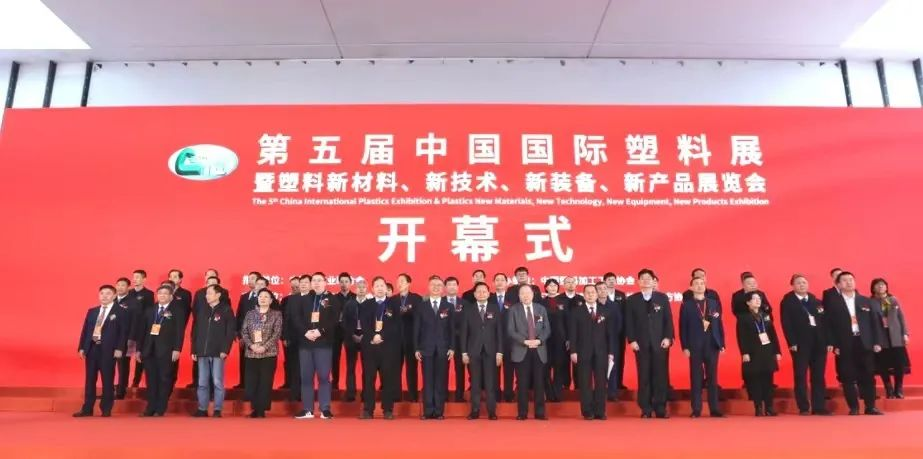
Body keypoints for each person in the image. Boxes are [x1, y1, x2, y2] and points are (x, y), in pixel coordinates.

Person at [827, 272, 884, 415]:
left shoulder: (865, 301)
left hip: (864, 342)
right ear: (838, 284)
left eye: (851, 279)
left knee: (868, 375)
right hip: (845, 343)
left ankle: (870, 406)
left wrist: (877, 341)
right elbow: (829, 326)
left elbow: (875, 323)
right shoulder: (833, 303)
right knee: (847, 376)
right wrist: (834, 345)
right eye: (845, 280)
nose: (849, 282)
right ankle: (853, 407)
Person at [74, 285, 129, 417]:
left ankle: (106, 408)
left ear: (114, 296)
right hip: (92, 348)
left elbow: (123, 332)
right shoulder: (92, 311)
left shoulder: (121, 311)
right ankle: (87, 408)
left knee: (107, 379)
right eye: (102, 293)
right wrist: (82, 347)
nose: (104, 296)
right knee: (90, 380)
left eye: (108, 293)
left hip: (109, 350)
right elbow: (85, 330)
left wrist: (120, 348)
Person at [625, 269, 674, 419]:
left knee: (661, 376)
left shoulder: (662, 298)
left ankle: (660, 408)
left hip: (660, 343)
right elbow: (629, 322)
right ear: (638, 282)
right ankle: (645, 408)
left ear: (654, 281)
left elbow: (668, 320)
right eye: (642, 278)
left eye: (649, 278)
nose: (646, 280)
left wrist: (668, 337)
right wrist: (632, 340)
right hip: (641, 344)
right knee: (644, 376)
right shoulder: (632, 300)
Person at [780, 274, 831, 415]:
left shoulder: (816, 301)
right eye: (798, 283)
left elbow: (826, 323)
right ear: (792, 285)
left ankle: (819, 406)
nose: (802, 285)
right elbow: (786, 323)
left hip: (819, 343)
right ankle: (803, 406)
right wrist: (792, 342)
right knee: (800, 375)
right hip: (800, 343)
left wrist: (829, 341)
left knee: (818, 375)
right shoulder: (788, 302)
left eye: (804, 282)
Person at [294, 272, 339, 420]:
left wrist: (320, 331)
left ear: (325, 282)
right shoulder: (304, 299)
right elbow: (297, 318)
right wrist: (305, 332)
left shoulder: (332, 299)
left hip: (323, 343)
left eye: (320, 280)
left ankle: (325, 408)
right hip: (306, 342)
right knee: (306, 377)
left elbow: (334, 319)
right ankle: (307, 409)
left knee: (324, 376)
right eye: (314, 280)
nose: (317, 283)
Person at [679, 277, 725, 418]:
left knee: (713, 378)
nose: (699, 286)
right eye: (696, 284)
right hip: (694, 345)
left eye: (702, 283)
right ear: (691, 287)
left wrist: (722, 343)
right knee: (696, 377)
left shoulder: (713, 303)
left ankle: (714, 409)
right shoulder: (686, 305)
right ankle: (696, 409)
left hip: (712, 344)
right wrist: (685, 346)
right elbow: (683, 327)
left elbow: (719, 324)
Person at [137, 285, 186, 417]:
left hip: (166, 350)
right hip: (149, 350)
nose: (162, 296)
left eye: (165, 293)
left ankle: (160, 408)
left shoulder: (177, 311)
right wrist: (139, 349)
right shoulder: (150, 310)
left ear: (171, 296)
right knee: (151, 380)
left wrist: (177, 349)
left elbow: (179, 331)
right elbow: (142, 331)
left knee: (164, 379)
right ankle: (150, 408)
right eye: (160, 293)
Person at [359, 277, 404, 420]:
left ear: (386, 288)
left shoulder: (394, 304)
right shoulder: (366, 304)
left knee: (388, 380)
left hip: (388, 348)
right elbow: (364, 324)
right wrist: (373, 336)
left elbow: (396, 325)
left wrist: (382, 335)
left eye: (382, 286)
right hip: (370, 347)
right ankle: (368, 410)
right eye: (377, 286)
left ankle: (388, 410)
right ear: (372, 289)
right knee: (368, 379)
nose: (379, 288)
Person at [568, 284, 614, 420]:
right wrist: (573, 351)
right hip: (583, 352)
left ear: (597, 294)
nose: (590, 295)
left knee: (601, 382)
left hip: (601, 352)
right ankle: (587, 411)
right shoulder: (576, 312)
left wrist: (611, 352)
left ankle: (600, 411)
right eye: (587, 293)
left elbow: (610, 334)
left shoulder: (605, 311)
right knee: (585, 382)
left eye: (593, 292)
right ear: (584, 295)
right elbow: (573, 333)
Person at [190, 284, 235, 417]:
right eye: (207, 293)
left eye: (210, 293)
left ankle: (217, 409)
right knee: (202, 382)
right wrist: (194, 350)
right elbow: (195, 331)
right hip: (202, 351)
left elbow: (230, 332)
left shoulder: (226, 310)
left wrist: (225, 349)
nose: (207, 296)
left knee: (217, 381)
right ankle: (202, 408)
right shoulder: (202, 310)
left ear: (218, 295)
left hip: (218, 352)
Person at [507, 284, 551, 420]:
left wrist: (539, 340)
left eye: (528, 293)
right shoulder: (514, 310)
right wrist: (524, 341)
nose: (525, 296)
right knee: (522, 383)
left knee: (539, 383)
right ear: (519, 296)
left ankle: (540, 412)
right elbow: (510, 330)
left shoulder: (541, 309)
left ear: (533, 295)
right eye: (522, 293)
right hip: (521, 350)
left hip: (539, 350)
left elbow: (547, 329)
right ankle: (522, 413)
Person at [415, 275, 455, 420]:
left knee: (440, 380)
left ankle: (439, 411)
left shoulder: (448, 306)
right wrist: (416, 348)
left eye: (439, 285)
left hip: (443, 349)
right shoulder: (422, 306)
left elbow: (452, 329)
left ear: (443, 288)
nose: (436, 287)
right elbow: (416, 329)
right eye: (433, 285)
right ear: (428, 287)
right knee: (427, 380)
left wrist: (452, 347)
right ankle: (428, 411)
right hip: (426, 348)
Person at [460, 281, 502, 420]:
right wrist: (464, 352)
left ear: (489, 294)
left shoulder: (495, 308)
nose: (482, 294)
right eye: (479, 291)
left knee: (491, 383)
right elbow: (464, 333)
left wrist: (500, 352)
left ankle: (492, 411)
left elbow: (499, 332)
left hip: (491, 351)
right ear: (474, 294)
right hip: (473, 351)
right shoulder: (468, 309)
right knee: (475, 383)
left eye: (484, 291)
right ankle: (475, 410)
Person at [737, 292, 782, 416]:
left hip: (767, 350)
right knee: (755, 380)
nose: (758, 301)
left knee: (769, 380)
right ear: (748, 302)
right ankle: (758, 407)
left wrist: (777, 351)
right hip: (753, 351)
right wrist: (744, 352)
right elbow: (741, 337)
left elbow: (773, 334)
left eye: (759, 298)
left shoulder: (766, 316)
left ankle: (769, 407)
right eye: (754, 299)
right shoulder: (743, 318)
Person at [241, 288, 282, 418]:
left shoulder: (276, 314)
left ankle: (261, 410)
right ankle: (254, 408)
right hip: (252, 353)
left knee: (265, 382)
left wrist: (264, 347)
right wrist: (251, 345)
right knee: (252, 382)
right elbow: (244, 332)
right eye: (260, 296)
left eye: (266, 297)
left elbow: (277, 333)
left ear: (271, 300)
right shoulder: (250, 314)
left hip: (268, 354)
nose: (262, 299)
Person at [870, 278, 910, 399]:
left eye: (883, 285)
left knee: (899, 363)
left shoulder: (893, 300)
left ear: (886, 287)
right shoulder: (870, 302)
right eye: (878, 285)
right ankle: (888, 388)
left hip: (895, 335)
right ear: (873, 288)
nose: (880, 287)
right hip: (880, 335)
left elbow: (901, 318)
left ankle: (899, 388)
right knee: (883, 363)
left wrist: (905, 334)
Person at [395, 273, 422, 402]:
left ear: (408, 283)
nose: (399, 283)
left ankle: (413, 396)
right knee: (395, 369)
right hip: (395, 340)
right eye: (398, 281)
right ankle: (396, 396)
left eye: (402, 281)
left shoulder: (416, 299)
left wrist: (407, 310)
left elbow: (419, 317)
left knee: (411, 369)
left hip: (411, 339)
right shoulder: (393, 300)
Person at [341, 276, 369, 402]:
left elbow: (374, 322)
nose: (361, 289)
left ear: (367, 289)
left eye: (363, 287)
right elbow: (344, 322)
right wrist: (352, 334)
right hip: (351, 337)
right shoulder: (349, 304)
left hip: (366, 337)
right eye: (359, 287)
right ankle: (350, 393)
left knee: (366, 367)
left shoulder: (371, 304)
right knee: (350, 366)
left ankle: (366, 393)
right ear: (355, 289)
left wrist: (364, 335)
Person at [284, 275, 311, 401]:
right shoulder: (292, 299)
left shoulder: (316, 298)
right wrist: (285, 336)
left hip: (311, 338)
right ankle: (295, 395)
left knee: (308, 368)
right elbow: (287, 318)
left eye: (306, 282)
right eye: (302, 282)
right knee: (295, 367)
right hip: (294, 338)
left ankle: (307, 395)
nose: (303, 284)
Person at [113, 277, 141, 399]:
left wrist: (131, 338)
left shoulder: (134, 302)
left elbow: (135, 322)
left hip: (126, 338)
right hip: (111, 337)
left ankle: (121, 390)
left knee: (123, 365)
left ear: (128, 287)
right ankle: (109, 390)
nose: (120, 287)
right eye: (118, 285)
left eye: (123, 285)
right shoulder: (112, 299)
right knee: (109, 364)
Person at [598, 279, 625, 401]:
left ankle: (612, 393)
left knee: (612, 366)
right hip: (597, 341)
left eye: (604, 289)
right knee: (598, 367)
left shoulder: (614, 306)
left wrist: (613, 335)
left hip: (612, 340)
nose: (602, 291)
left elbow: (619, 323)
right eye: (599, 289)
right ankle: (599, 393)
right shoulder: (593, 305)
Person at [235, 271, 262, 389]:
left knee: (256, 361)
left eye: (253, 278)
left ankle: (255, 385)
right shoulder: (244, 297)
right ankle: (243, 383)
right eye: (249, 278)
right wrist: (239, 334)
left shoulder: (263, 297)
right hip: (244, 335)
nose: (250, 281)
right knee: (243, 359)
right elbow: (239, 316)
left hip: (258, 335)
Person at [541, 278, 567, 402]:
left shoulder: (563, 301)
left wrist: (568, 338)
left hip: (560, 339)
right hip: (545, 339)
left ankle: (558, 393)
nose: (552, 287)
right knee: (545, 367)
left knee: (559, 366)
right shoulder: (541, 302)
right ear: (546, 288)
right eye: (550, 285)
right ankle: (549, 393)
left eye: (555, 285)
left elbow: (569, 321)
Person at [492, 272, 516, 402]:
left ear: (507, 283)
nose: (500, 282)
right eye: (497, 280)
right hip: (492, 340)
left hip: (510, 340)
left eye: (502, 280)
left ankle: (508, 394)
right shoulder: (489, 298)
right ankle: (495, 395)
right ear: (493, 283)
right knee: (493, 370)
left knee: (509, 369)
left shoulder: (513, 298)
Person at [130, 269, 155, 388]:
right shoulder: (129, 293)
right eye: (134, 277)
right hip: (129, 330)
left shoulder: (148, 294)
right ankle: (123, 384)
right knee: (125, 357)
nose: (135, 279)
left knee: (140, 356)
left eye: (138, 277)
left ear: (144, 279)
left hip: (142, 329)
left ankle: (137, 381)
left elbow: (149, 313)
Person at [444, 276, 467, 403]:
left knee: (460, 368)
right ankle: (443, 395)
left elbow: (467, 323)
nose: (452, 287)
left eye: (454, 284)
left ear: (458, 287)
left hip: (460, 341)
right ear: (445, 287)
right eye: (449, 284)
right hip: (443, 340)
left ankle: (459, 395)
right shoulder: (440, 302)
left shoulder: (465, 303)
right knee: (443, 369)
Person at [331, 272, 355, 393]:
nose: (344, 284)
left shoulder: (355, 297)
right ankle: (334, 383)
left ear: (350, 283)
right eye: (341, 282)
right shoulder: (333, 298)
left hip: (350, 332)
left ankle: (350, 387)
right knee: (335, 358)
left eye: (346, 281)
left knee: (351, 359)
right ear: (338, 283)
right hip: (336, 331)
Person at [279, 275, 301, 390]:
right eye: (293, 287)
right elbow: (281, 319)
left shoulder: (306, 299)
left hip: (302, 337)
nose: (295, 289)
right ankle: (288, 383)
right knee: (288, 361)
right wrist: (283, 337)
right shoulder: (285, 300)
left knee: (301, 362)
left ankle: (299, 385)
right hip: (288, 336)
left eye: (297, 287)